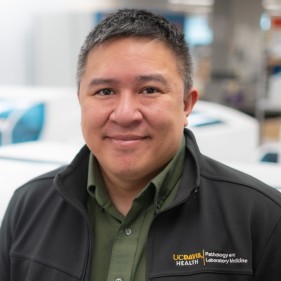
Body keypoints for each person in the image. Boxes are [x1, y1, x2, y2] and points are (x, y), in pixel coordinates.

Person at [1, 8, 281, 281]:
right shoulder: (28, 206)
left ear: (186, 104)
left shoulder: (261, 218)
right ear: (80, 101)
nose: (125, 114)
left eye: (149, 90)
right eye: (105, 91)